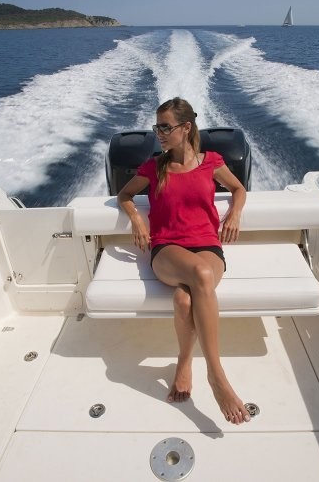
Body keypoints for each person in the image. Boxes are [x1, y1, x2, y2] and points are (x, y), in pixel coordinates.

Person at [117, 97, 251, 425]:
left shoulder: (211, 162)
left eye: (165, 127)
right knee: (201, 274)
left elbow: (238, 189)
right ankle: (217, 376)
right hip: (167, 249)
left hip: (207, 245)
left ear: (186, 127)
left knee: (184, 300)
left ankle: (185, 361)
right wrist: (136, 220)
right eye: (156, 127)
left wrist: (235, 212)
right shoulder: (154, 167)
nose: (158, 134)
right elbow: (124, 195)